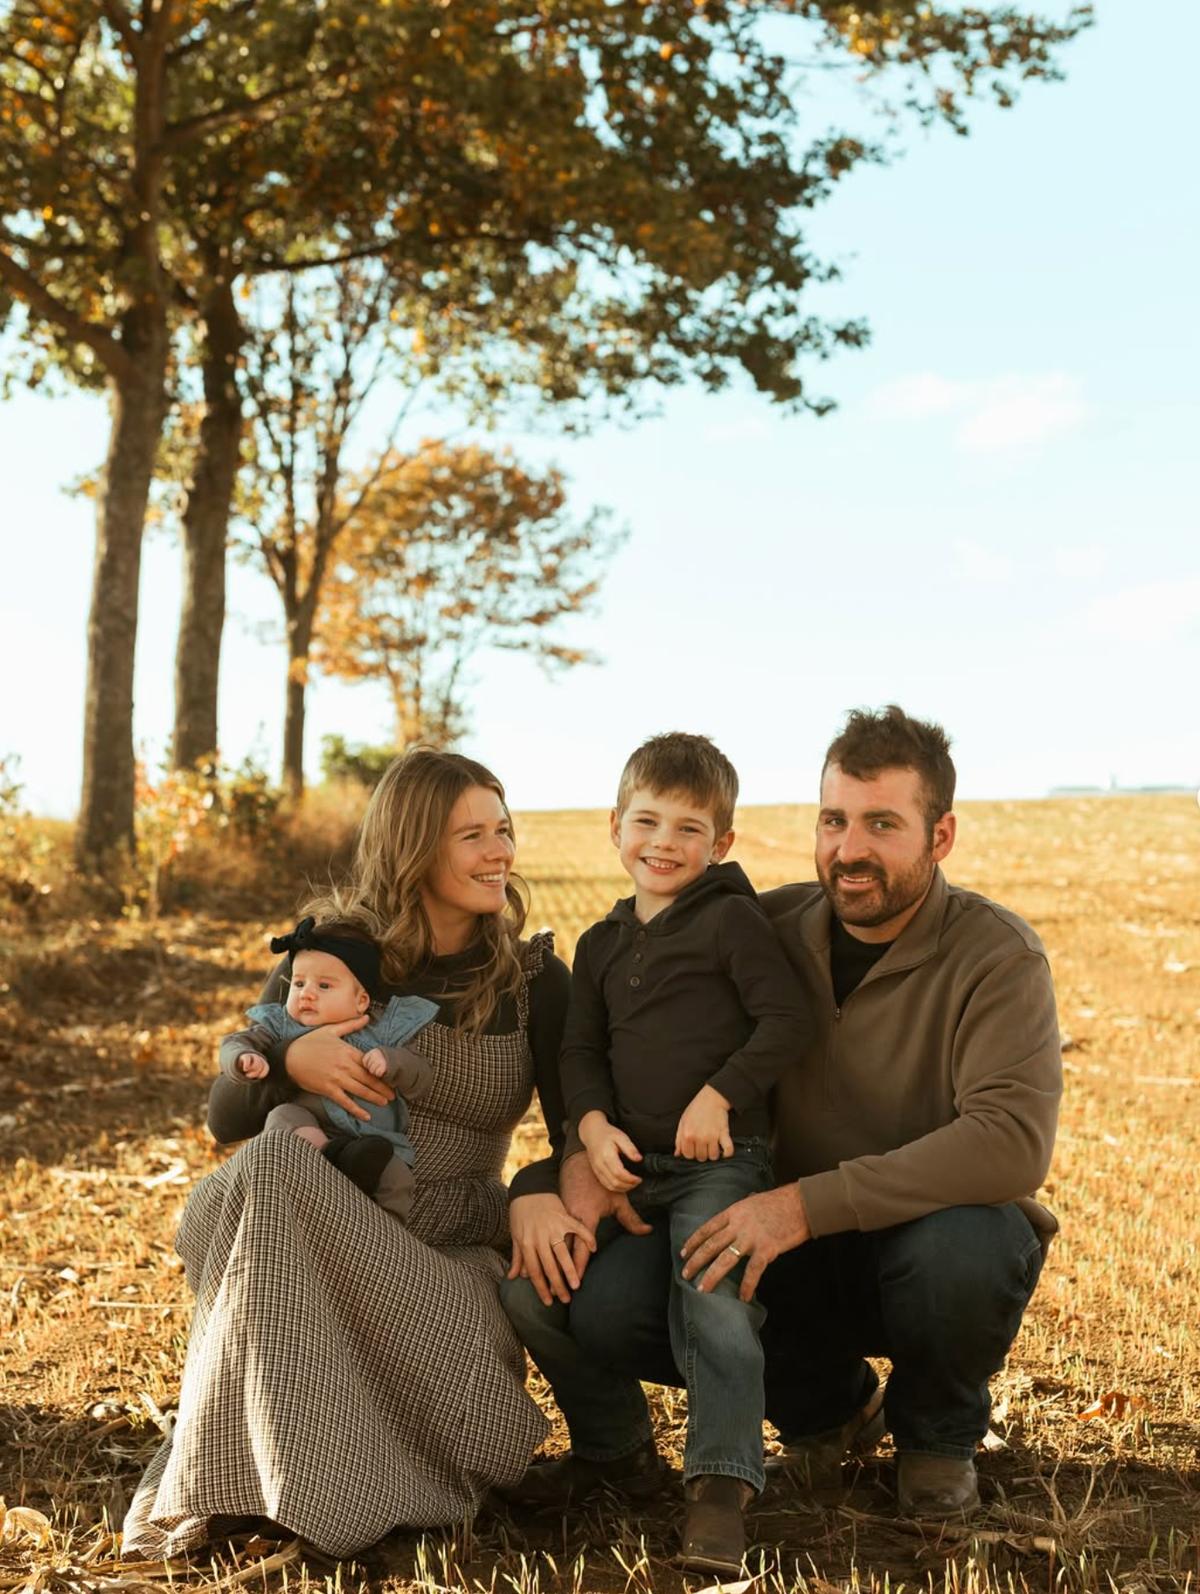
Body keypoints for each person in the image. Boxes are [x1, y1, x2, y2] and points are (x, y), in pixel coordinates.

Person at [503, 705, 1062, 1543]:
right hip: (768, 1237)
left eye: (882, 824)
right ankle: (827, 1408)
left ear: (940, 836)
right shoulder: (757, 928)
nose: (849, 849)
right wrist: (557, 1172)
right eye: (834, 820)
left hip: (916, 1238)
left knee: (965, 1251)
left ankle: (937, 1439)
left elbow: (1011, 1142)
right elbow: (636, 1060)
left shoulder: (997, 956)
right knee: (613, 1305)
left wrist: (803, 1206)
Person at [123, 748, 581, 1560]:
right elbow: (223, 1116)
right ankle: (270, 1484)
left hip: (444, 1243)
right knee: (274, 1166)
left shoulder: (533, 979)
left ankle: (284, 1486)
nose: (499, 852)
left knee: (275, 1178)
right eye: (472, 835)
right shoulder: (328, 955)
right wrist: (292, 1062)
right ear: (413, 848)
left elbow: (580, 1126)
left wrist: (538, 1186)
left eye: (503, 830)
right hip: (305, 1224)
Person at [534, 732, 808, 1572]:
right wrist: (590, 1128)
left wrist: (719, 1094)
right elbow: (580, 1052)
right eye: (647, 821)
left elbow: (787, 1021)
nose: (664, 842)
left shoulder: (731, 921)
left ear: (721, 843)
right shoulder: (601, 944)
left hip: (720, 1164)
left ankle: (720, 1490)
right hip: (627, 1169)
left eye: (689, 828)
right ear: (615, 825)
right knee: (534, 1285)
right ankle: (614, 1449)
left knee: (711, 1289)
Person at [218, 914, 438, 1220]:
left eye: (324, 985)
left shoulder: (385, 1032)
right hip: (313, 1135)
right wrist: (242, 1059)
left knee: (398, 1177)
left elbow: (421, 1077)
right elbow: (235, 1042)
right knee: (283, 1118)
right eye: (299, 983)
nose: (306, 993)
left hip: (370, 1143)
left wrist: (392, 1061)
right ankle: (327, 1159)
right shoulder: (281, 1025)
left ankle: (385, 1230)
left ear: (361, 1001)